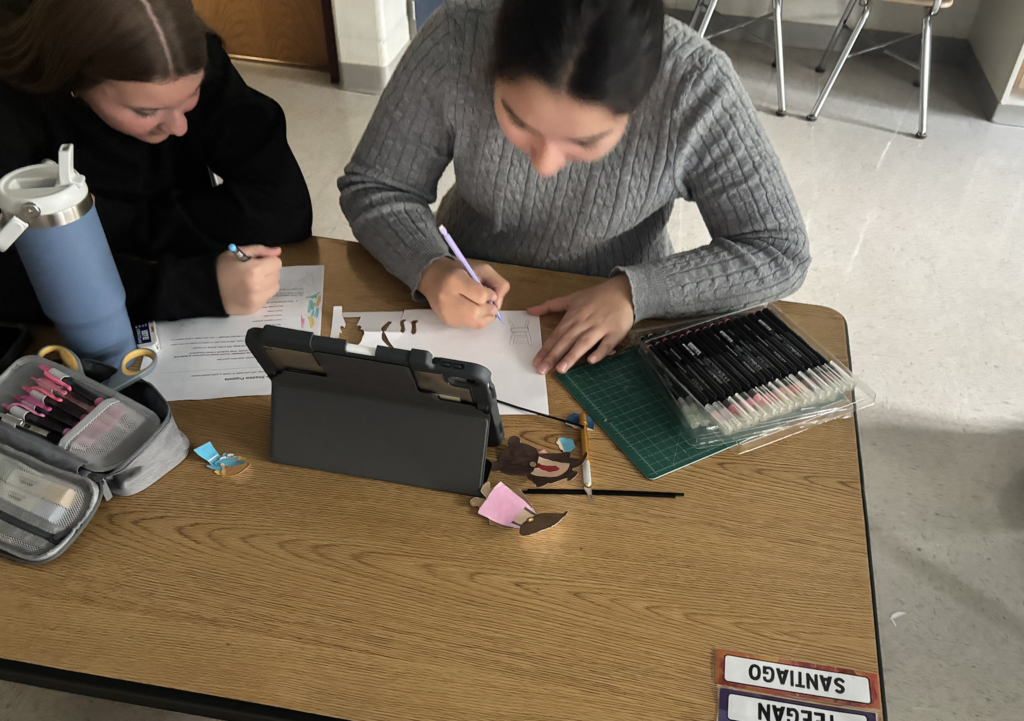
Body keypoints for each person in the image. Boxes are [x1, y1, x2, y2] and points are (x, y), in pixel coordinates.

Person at [339, 0, 810, 376]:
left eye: (585, 142)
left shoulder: (696, 86)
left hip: (615, 320)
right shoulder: (457, 39)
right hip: (462, 290)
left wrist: (638, 293)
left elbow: (778, 249)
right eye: (517, 121)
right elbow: (377, 184)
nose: (545, 165)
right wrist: (429, 266)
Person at [0, 0, 312, 324]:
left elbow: (283, 209)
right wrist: (195, 288)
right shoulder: (14, 106)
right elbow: (11, 284)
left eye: (192, 95)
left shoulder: (183, 57)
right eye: (146, 112)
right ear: (74, 83)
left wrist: (109, 222)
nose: (180, 127)